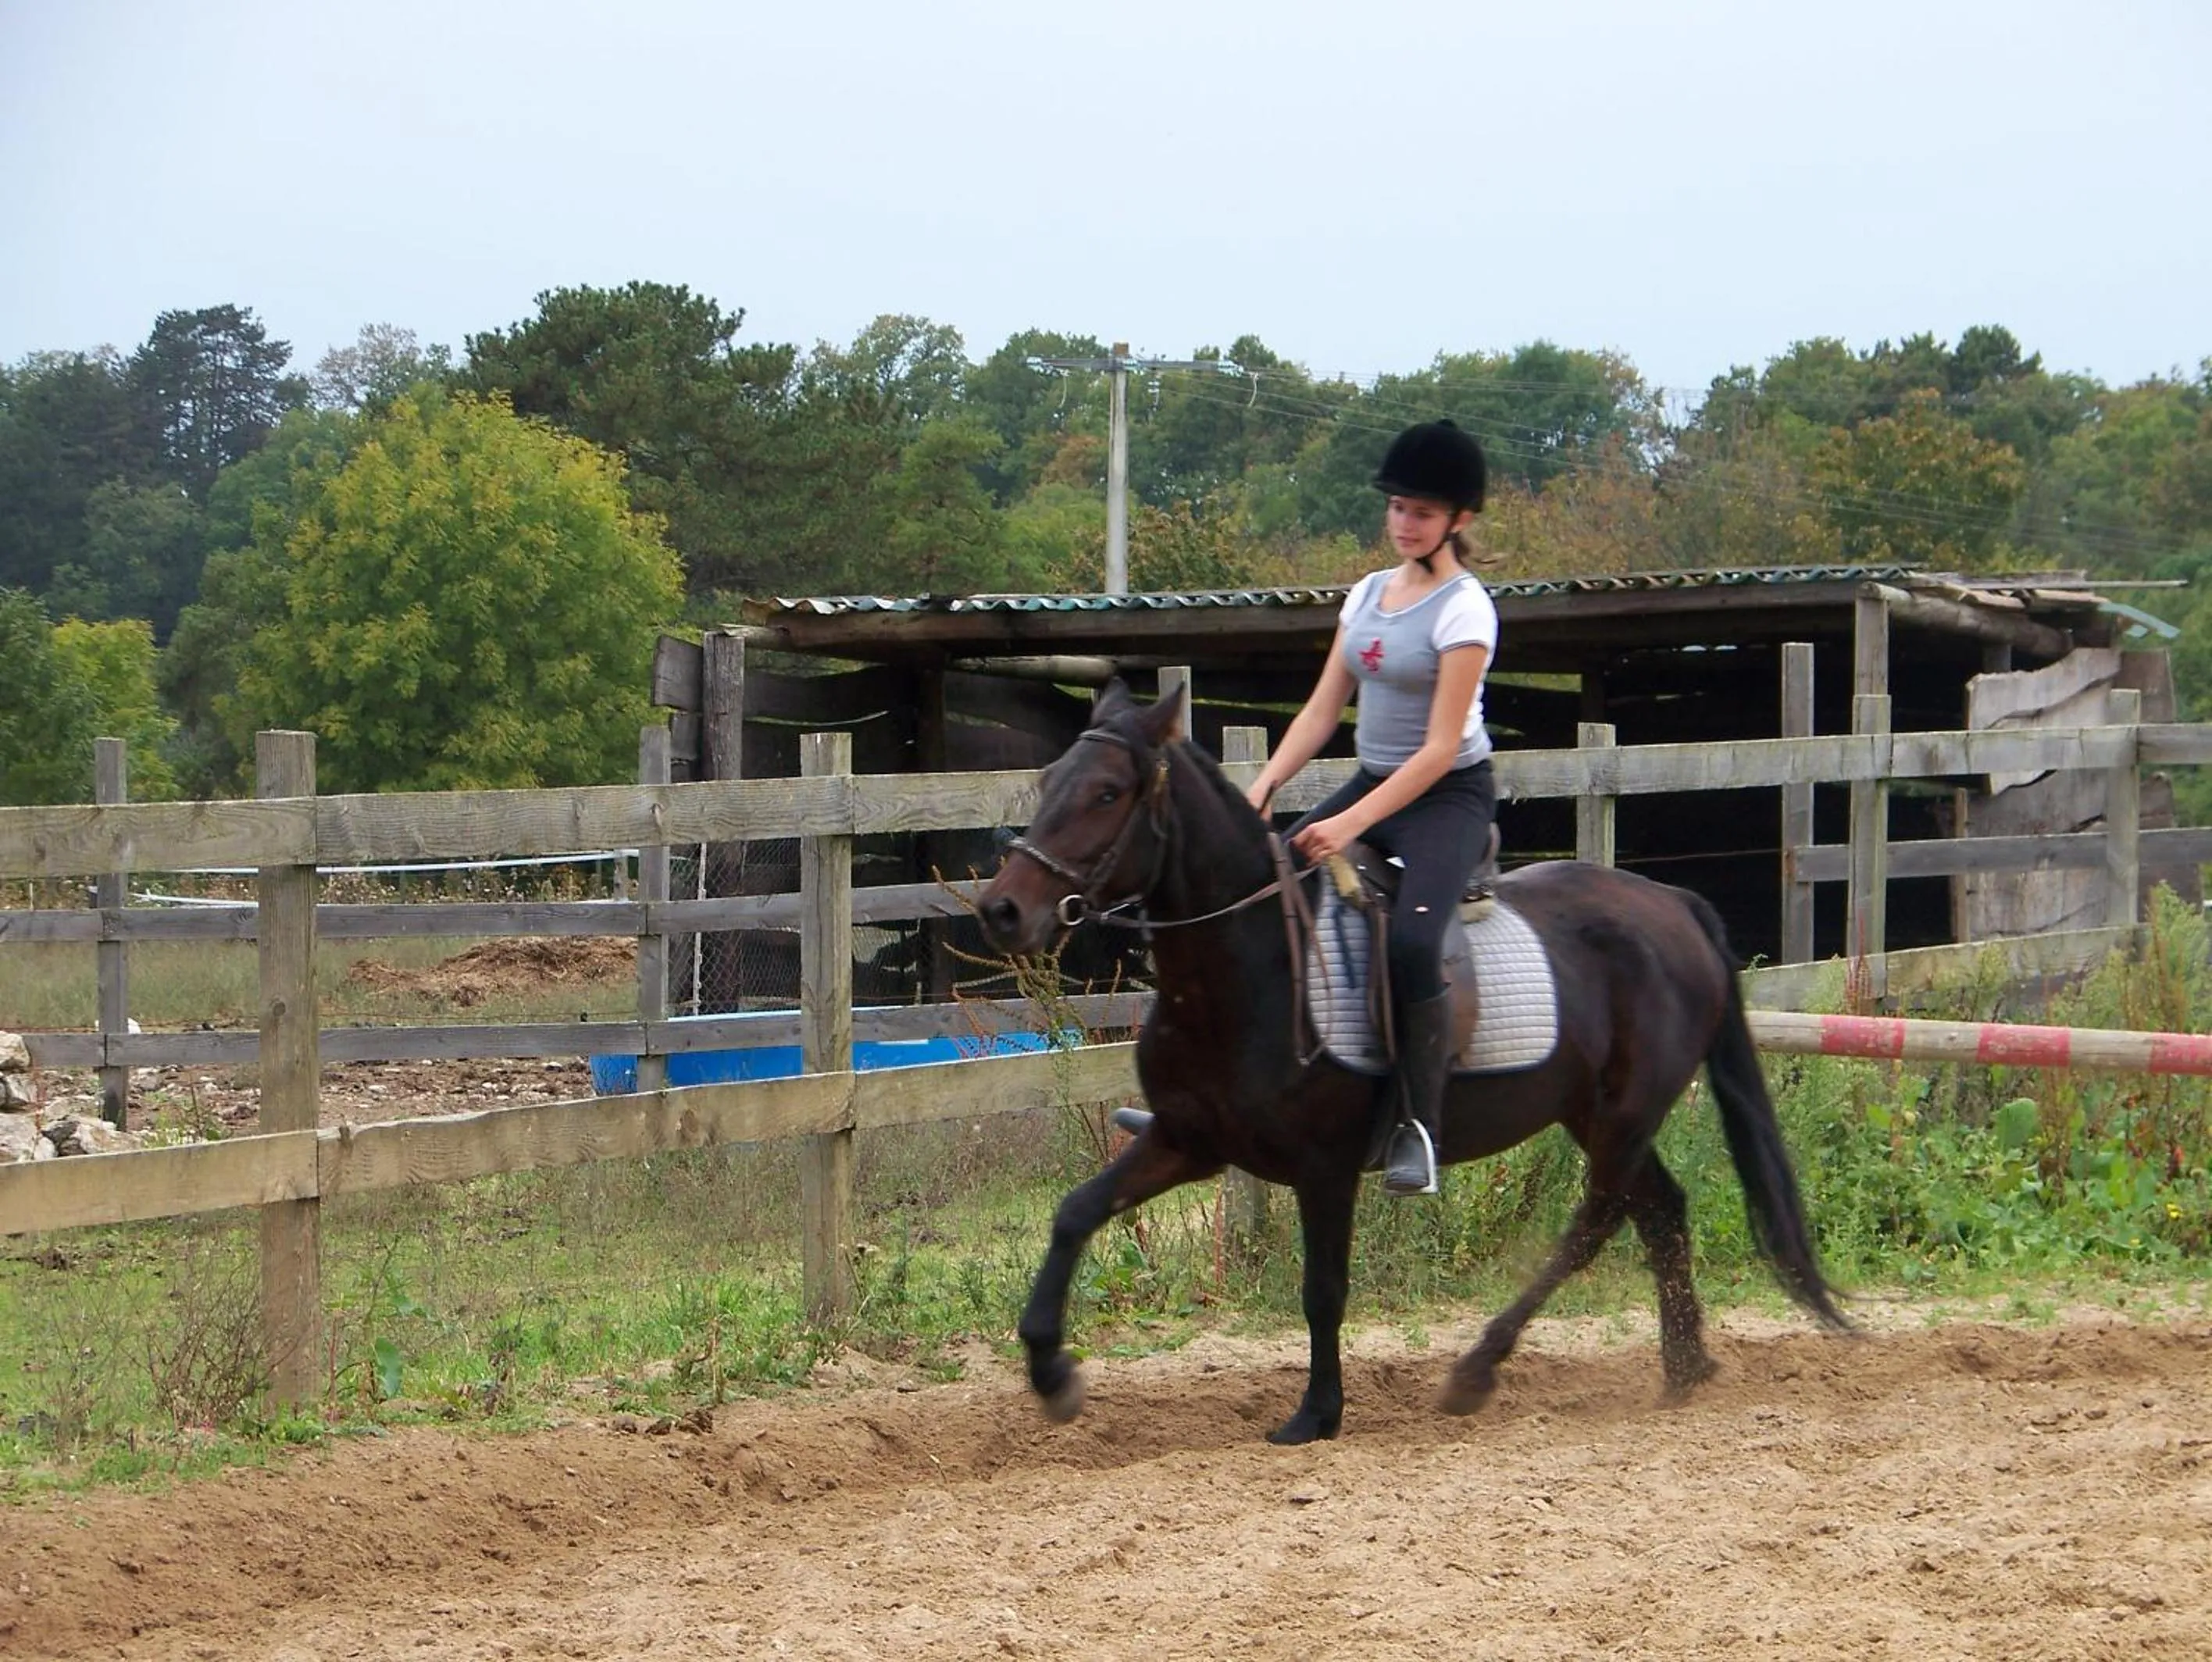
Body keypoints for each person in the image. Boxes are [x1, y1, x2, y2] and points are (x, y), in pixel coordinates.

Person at [1248, 418, 1499, 1196]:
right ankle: (1233, 1092)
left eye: (1420, 512)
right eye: (1395, 507)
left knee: (1415, 944)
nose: (1402, 522)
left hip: (1446, 797)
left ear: (1457, 519)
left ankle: (1416, 1127)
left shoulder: (1467, 611)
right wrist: (1264, 787)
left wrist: (1350, 824)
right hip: (1374, 780)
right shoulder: (1364, 596)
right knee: (1265, 892)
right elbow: (1324, 710)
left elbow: (1435, 752)